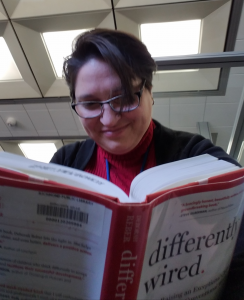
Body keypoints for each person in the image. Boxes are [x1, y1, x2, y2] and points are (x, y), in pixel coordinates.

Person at [50, 28, 243, 299]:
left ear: (150, 92)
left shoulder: (200, 157)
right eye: (91, 104)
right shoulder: (64, 164)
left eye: (126, 97)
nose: (108, 119)